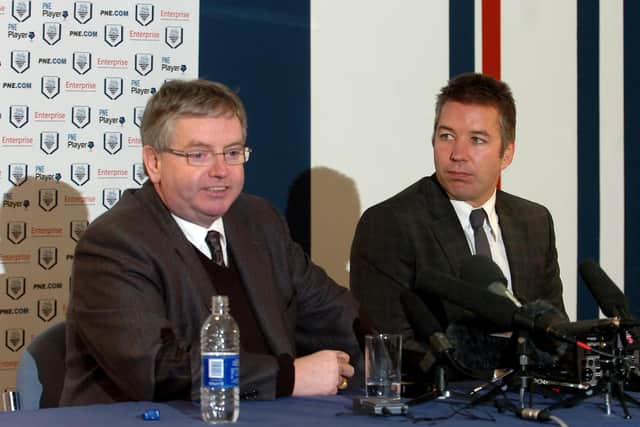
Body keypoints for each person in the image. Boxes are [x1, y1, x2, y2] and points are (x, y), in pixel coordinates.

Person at [60, 79, 362, 406]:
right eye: (199, 155)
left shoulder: (258, 221)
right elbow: (157, 369)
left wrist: (397, 355)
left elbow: (335, 313)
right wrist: (287, 377)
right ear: (154, 162)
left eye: (232, 153)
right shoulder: (115, 243)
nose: (221, 171)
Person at [350, 73, 567, 383]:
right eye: (446, 136)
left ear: (507, 153)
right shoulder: (389, 225)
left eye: (476, 140)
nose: (457, 154)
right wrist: (498, 375)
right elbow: (392, 350)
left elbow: (553, 331)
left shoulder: (534, 222)